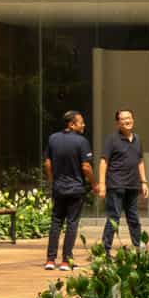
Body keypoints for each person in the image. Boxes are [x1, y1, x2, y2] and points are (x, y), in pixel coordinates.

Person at [44, 109, 94, 268]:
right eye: (81, 122)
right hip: (75, 189)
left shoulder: (53, 139)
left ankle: (50, 260)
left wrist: (53, 181)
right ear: (72, 124)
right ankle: (66, 260)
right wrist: (94, 183)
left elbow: (47, 163)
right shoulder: (81, 142)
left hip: (58, 188)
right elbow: (86, 167)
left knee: (56, 222)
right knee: (72, 223)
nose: (84, 125)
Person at [99, 108, 149, 252]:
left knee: (134, 218)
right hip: (116, 185)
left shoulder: (137, 139)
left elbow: (140, 161)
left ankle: (139, 248)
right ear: (117, 123)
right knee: (113, 218)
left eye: (129, 118)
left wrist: (144, 182)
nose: (127, 121)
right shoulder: (112, 139)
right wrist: (102, 184)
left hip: (133, 185)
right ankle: (105, 251)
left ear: (133, 120)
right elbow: (104, 161)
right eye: (123, 119)